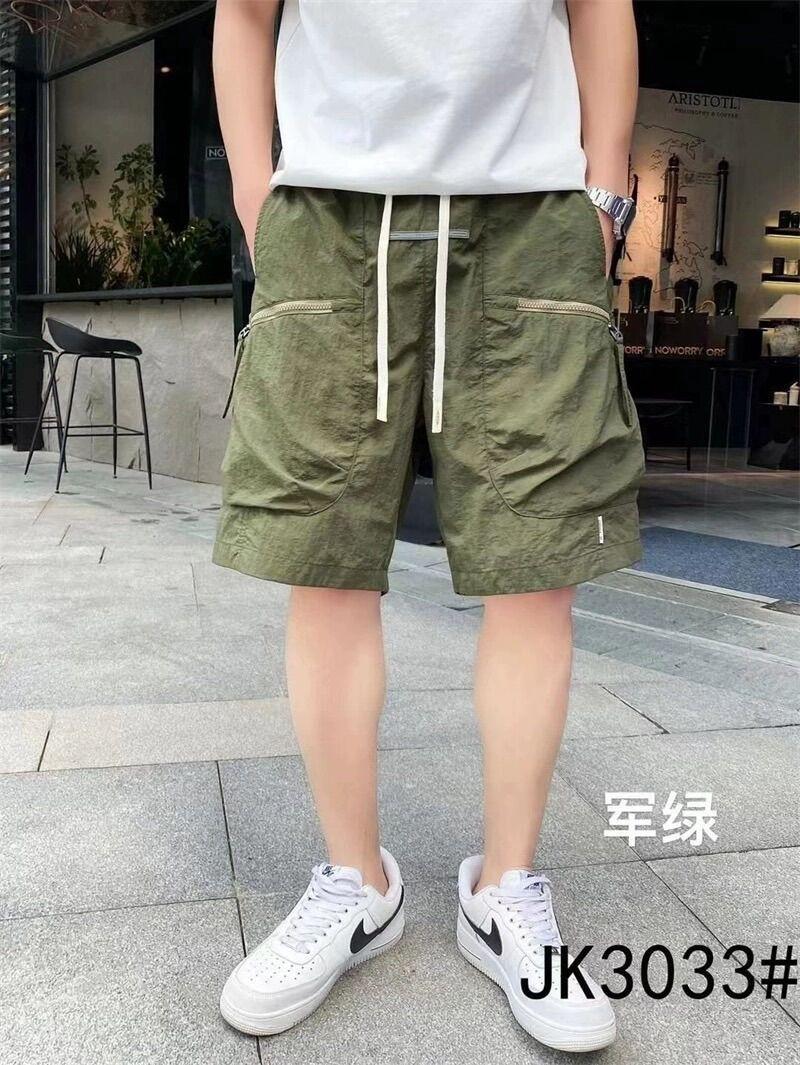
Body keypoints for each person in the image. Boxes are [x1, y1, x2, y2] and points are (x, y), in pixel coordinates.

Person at [212, 0, 643, 1052]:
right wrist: (258, 200)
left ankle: (506, 889)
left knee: (536, 566)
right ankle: (355, 882)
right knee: (321, 559)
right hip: (328, 216)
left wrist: (603, 195)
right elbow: (243, 13)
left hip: (531, 216)